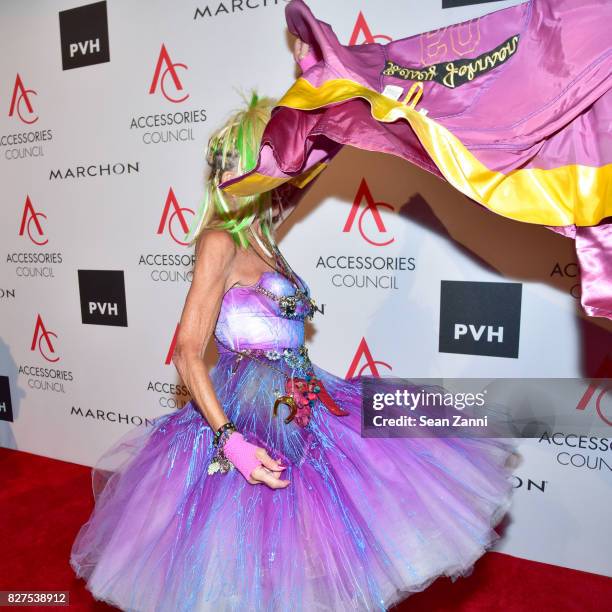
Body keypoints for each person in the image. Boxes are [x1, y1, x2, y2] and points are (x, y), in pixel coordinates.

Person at [69, 42, 517, 612]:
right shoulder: (219, 242)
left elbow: (319, 154)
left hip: (305, 398)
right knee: (243, 558)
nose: (244, 169)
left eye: (258, 156)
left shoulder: (266, 232)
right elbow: (186, 352)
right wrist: (230, 441)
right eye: (233, 160)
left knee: (307, 555)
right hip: (247, 412)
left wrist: (338, 90)